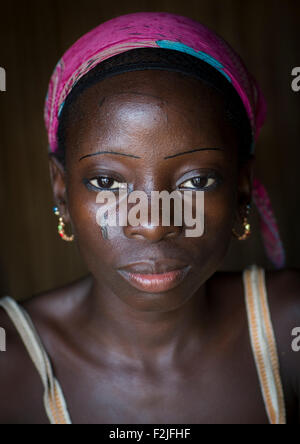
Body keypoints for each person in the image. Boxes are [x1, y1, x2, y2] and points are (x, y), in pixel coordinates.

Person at [0, 11, 299, 425]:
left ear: (242, 188)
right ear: (61, 191)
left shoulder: (289, 329)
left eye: (196, 182)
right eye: (106, 181)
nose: (154, 224)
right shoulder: (10, 365)